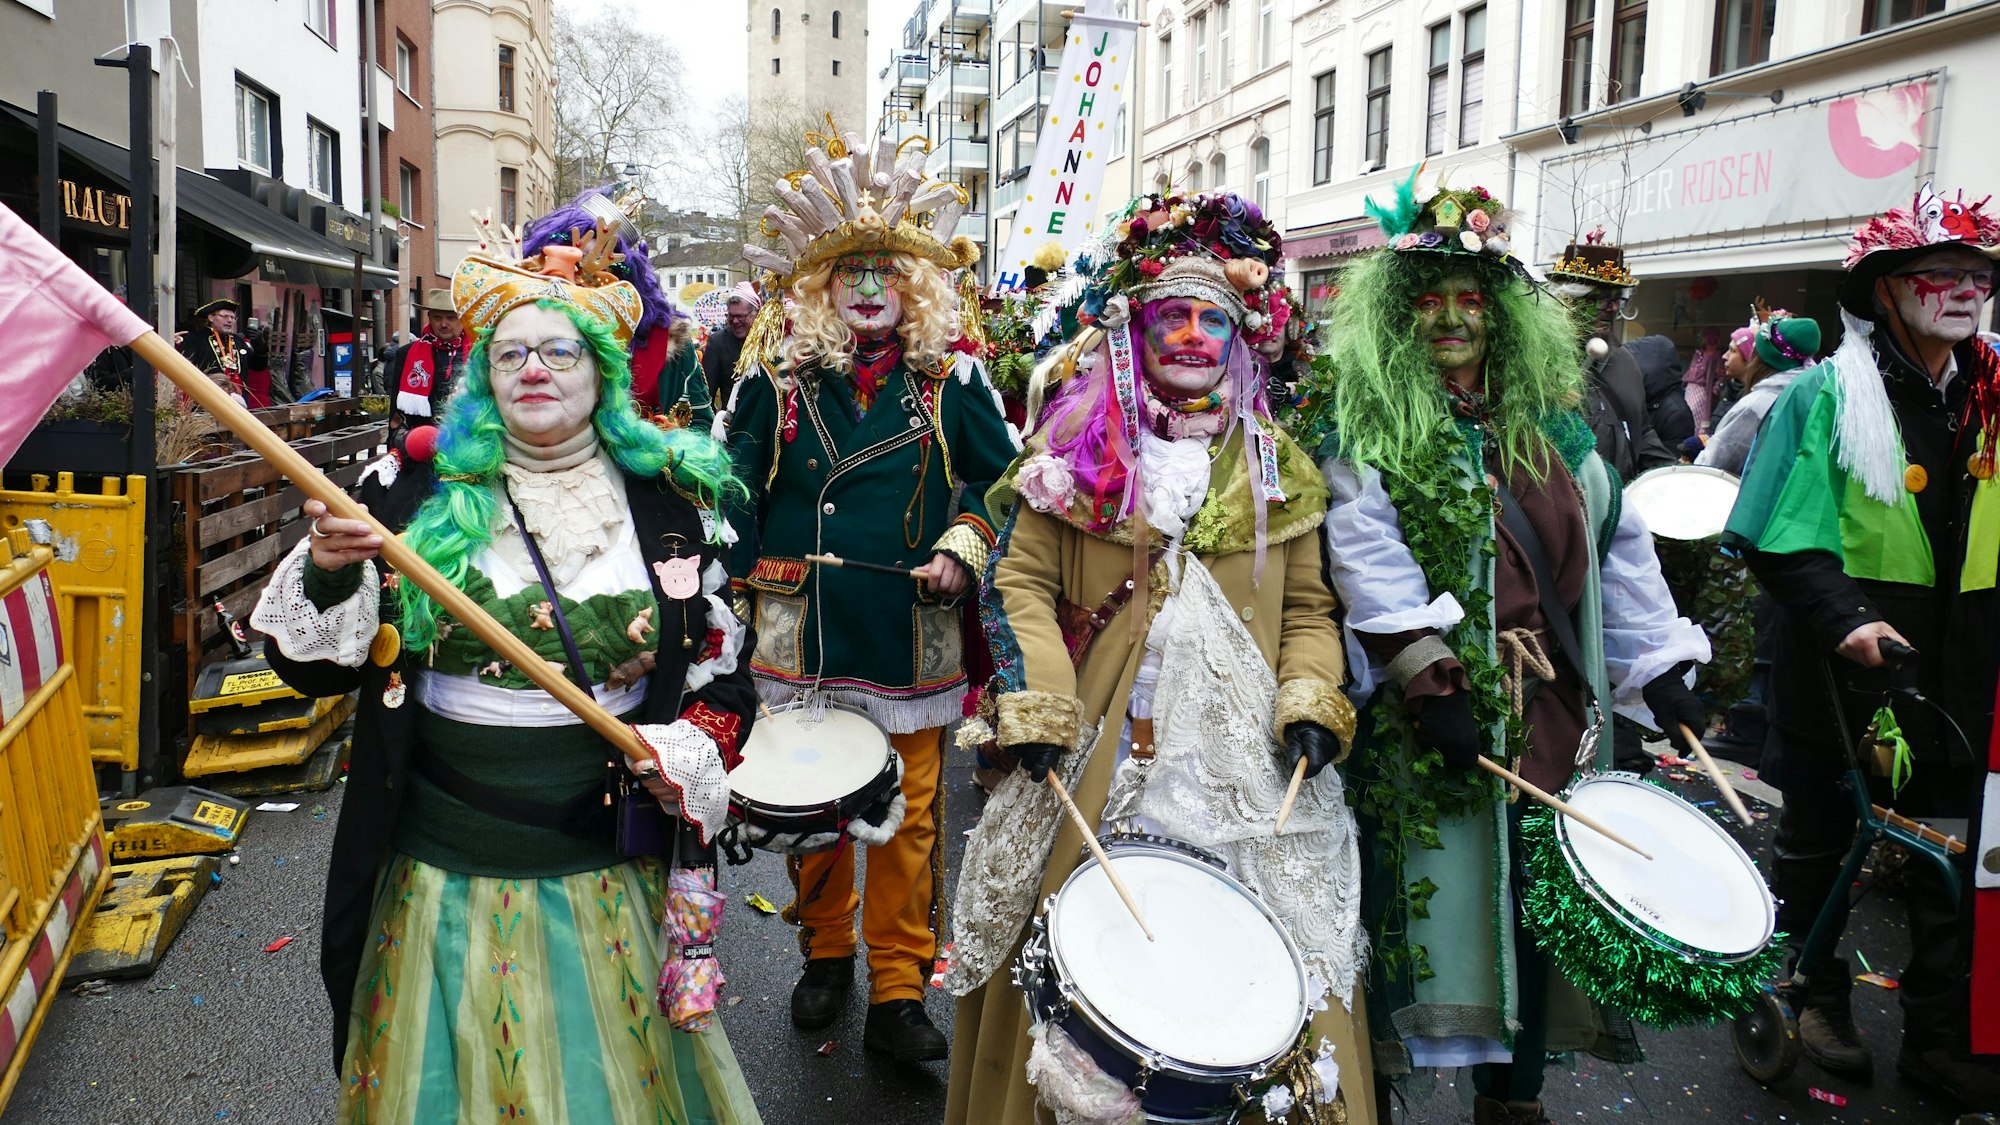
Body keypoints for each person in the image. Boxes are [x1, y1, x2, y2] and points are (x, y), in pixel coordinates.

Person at [252, 231, 764, 1122]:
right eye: (512, 352)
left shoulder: (668, 503)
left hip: (606, 876)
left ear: (601, 372)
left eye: (560, 350)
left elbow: (726, 669)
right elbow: (303, 669)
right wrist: (333, 573)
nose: (536, 369)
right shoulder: (407, 490)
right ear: (484, 375)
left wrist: (688, 747)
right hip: (440, 879)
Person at [944, 190, 1373, 1125]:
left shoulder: (1278, 467)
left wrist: (1308, 696)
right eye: (1170, 316)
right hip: (1093, 757)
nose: (1190, 335)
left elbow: (1308, 606)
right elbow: (1017, 583)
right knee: (1079, 969)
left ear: (1239, 336)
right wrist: (1043, 707)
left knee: (1260, 979)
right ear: (1135, 331)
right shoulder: (1075, 450)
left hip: (1242, 772)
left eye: (1211, 318)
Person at [1298, 173, 1710, 1125]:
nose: (1451, 319)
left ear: (1502, 320)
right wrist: (1426, 673)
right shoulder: (1366, 429)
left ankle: (1512, 1098)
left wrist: (1664, 670)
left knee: (1535, 907)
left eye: (1470, 301)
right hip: (1425, 721)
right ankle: (1377, 1090)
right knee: (1408, 904)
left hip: (1553, 713)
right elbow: (1367, 555)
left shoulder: (1562, 432)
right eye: (1429, 302)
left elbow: (1619, 552)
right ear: (1398, 319)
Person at [724, 125, 1017, 1062]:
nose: (866, 289)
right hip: (801, 629)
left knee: (910, 810)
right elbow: (733, 489)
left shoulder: (952, 384)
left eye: (884, 272)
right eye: (847, 273)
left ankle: (897, 986)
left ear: (915, 288)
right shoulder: (775, 384)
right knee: (811, 802)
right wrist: (722, 581)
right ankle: (826, 955)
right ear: (818, 289)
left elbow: (1003, 483)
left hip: (908, 629)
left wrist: (964, 542)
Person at [1721, 183, 2000, 1108]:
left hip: (1968, 659)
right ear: (1886, 289)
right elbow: (1777, 531)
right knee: (1821, 840)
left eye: (1977, 275)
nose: (1963, 290)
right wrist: (1846, 620)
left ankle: (1940, 1035)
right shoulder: (1824, 394)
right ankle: (1813, 995)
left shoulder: (1994, 397)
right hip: (1849, 659)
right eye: (1940, 273)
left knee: (1953, 851)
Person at [522, 187, 713, 429]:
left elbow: (699, 435)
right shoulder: (520, 338)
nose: (578, 275)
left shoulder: (665, 344)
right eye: (567, 258)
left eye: (593, 261)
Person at [1547, 235, 1675, 479]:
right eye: (1601, 298)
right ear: (1569, 300)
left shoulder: (1625, 362)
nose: (1613, 308)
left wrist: (1669, 475)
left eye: (1617, 299)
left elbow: (1642, 432)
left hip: (1619, 502)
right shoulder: (1541, 363)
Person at [1696, 314, 1820, 476]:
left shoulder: (1756, 406)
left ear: (1760, 360)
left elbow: (1713, 463)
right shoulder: (1815, 394)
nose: (1725, 356)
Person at [381, 287, 470, 449]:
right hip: (422, 449)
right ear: (429, 317)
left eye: (451, 317)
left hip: (467, 447)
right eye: (437, 318)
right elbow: (396, 414)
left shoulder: (478, 353)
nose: (444, 324)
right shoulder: (406, 354)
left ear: (463, 318)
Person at [176, 297, 267, 405]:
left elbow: (258, 366)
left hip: (240, 399)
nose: (229, 320)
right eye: (225, 316)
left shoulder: (238, 341)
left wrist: (260, 345)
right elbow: (185, 370)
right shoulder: (195, 339)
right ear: (211, 318)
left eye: (232, 317)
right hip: (208, 400)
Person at [703, 283, 759, 422]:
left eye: (740, 316)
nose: (735, 321)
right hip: (733, 428)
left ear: (755, 314)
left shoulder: (769, 341)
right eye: (731, 316)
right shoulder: (717, 343)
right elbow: (706, 392)